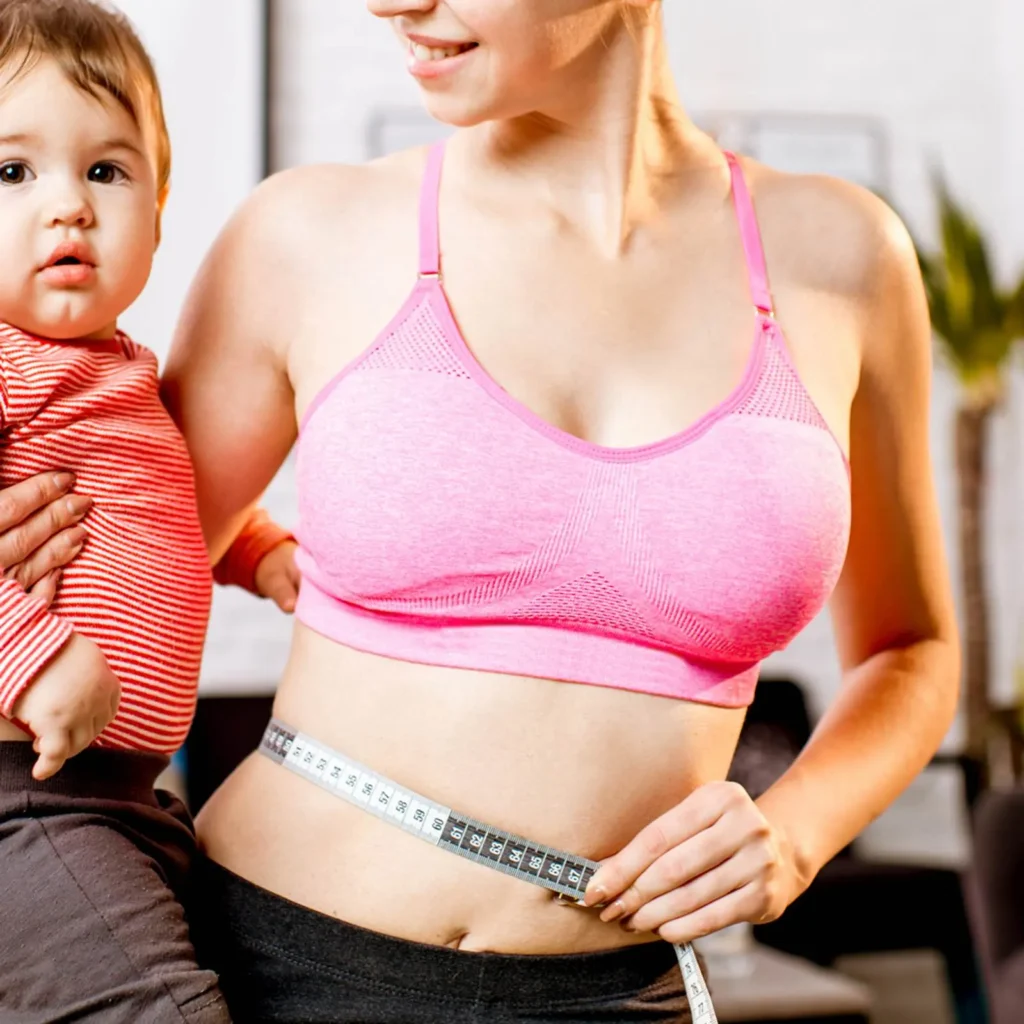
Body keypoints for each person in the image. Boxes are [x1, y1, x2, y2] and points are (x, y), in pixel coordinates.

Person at [1, 1, 960, 1021]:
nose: (391, 3)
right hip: (268, 967)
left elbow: (910, 649)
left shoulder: (843, 258)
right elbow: (118, 549)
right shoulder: (307, 235)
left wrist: (799, 831)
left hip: (618, 996)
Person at [0, 1, 294, 1020]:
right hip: (27, 793)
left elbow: (148, 501)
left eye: (105, 171)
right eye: (12, 172)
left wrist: (257, 551)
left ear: (161, 210)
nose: (67, 208)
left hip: (117, 791)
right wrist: (31, 652)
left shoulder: (119, 373)